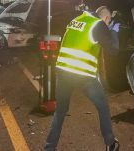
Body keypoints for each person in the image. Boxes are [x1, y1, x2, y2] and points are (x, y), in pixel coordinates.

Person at [44, 5, 120, 151]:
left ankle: (49, 148)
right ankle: (110, 143)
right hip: (82, 75)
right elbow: (114, 50)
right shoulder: (99, 24)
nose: (108, 24)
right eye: (108, 22)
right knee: (102, 106)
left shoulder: (77, 19)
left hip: (63, 71)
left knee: (60, 111)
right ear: (106, 18)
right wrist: (114, 32)